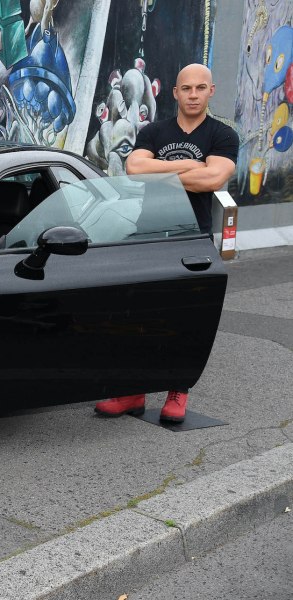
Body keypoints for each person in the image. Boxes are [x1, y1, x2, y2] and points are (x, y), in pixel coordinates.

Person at [95, 63, 239, 423]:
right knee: (136, 314)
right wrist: (193, 166)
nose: (193, 94)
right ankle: (132, 392)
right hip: (148, 234)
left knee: (186, 317)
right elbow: (134, 168)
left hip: (192, 236)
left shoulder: (222, 135)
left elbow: (214, 179)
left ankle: (178, 390)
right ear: (174, 92)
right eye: (186, 88)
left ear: (211, 91)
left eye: (200, 88)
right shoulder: (154, 130)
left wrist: (163, 169)